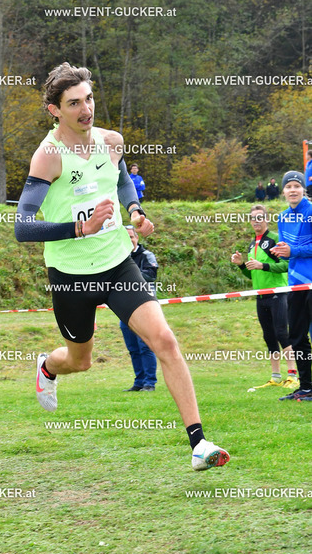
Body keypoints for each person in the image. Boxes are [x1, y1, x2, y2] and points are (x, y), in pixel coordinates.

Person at [14, 62, 229, 471]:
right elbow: (22, 227)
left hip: (117, 265)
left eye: (89, 99)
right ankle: (47, 366)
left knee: (165, 340)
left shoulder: (111, 142)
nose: (86, 109)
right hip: (71, 276)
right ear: (54, 110)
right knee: (79, 361)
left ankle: (199, 444)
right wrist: (81, 228)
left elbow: (122, 180)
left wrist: (135, 210)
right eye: (74, 103)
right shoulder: (47, 157)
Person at [231, 204, 297, 389]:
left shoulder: (275, 238)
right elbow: (253, 274)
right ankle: (275, 377)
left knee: (282, 333)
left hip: (278, 293)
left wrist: (263, 266)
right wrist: (241, 265)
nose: (256, 221)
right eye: (253, 218)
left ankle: (293, 375)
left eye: (259, 217)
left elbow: (286, 265)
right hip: (260, 296)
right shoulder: (253, 244)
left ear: (266, 219)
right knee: (269, 336)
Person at [270, 171, 312, 401]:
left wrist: (293, 250)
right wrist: (279, 252)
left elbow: (296, 250)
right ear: (283, 191)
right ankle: (306, 387)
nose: (293, 190)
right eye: (289, 187)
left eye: (297, 186)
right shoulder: (283, 217)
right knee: (296, 336)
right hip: (295, 285)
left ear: (303, 189)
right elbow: (287, 251)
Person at [121, 225, 158, 392]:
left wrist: (128, 275)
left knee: (145, 346)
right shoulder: (118, 258)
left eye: (131, 236)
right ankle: (139, 382)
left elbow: (150, 275)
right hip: (124, 307)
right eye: (125, 237)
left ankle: (150, 383)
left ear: (137, 237)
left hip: (144, 306)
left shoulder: (146, 255)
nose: (129, 240)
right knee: (133, 348)